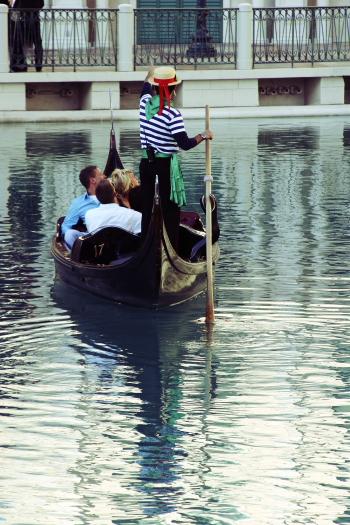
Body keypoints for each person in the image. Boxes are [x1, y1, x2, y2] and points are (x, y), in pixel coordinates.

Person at [139, 65, 213, 250]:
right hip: (165, 166)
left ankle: (144, 246)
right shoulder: (173, 114)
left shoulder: (144, 104)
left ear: (155, 86)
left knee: (146, 207)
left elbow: (144, 87)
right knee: (171, 209)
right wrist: (204, 135)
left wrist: (153, 71)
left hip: (145, 165)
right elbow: (185, 144)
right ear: (174, 89)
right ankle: (172, 249)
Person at [61, 165, 105, 250]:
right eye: (101, 174)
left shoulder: (113, 195)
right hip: (92, 238)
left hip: (115, 234)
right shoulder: (78, 203)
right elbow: (65, 227)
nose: (104, 176)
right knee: (70, 234)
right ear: (93, 180)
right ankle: (80, 257)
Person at [10, 0, 44, 73]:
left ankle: (20, 65)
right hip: (34, 19)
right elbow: (41, 4)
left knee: (19, 41)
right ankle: (39, 65)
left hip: (24, 19)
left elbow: (17, 5)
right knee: (37, 41)